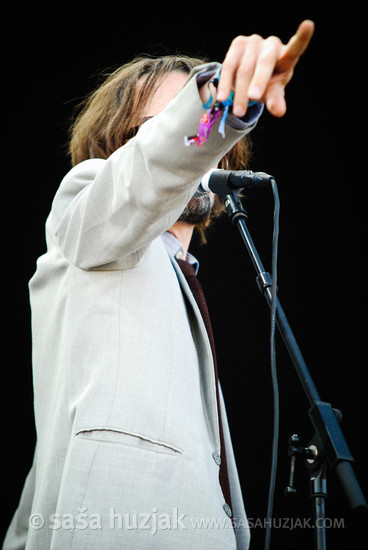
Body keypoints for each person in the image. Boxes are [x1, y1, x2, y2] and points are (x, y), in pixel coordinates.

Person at [3, 20, 314, 550]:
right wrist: (222, 103)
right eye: (164, 127)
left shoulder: (180, 280)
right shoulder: (86, 212)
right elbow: (141, 176)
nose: (189, 147)